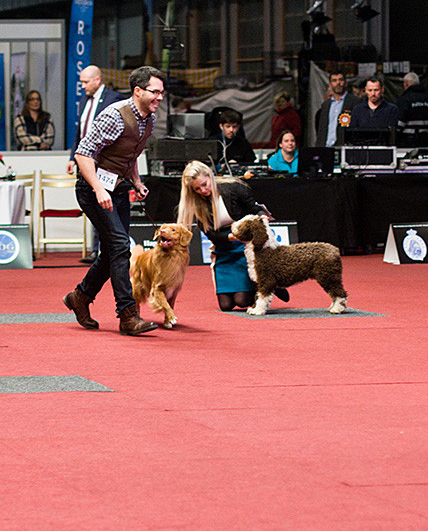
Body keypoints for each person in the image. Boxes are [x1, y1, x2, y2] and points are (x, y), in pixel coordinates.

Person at [62, 66, 165, 337]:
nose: (160, 97)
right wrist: (98, 188)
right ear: (138, 91)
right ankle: (128, 315)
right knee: (120, 245)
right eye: (155, 92)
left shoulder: (148, 118)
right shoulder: (114, 115)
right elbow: (83, 154)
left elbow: (128, 156)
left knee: (112, 252)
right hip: (92, 189)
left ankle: (80, 297)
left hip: (118, 189)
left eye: (162, 92)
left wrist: (138, 182)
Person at [177, 160, 271, 311]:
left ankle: (262, 287)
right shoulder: (196, 204)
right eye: (197, 189)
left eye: (204, 184)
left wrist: (262, 216)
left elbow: (253, 208)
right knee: (226, 306)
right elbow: (210, 234)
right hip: (223, 248)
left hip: (245, 245)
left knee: (241, 301)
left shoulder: (234, 188)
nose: (203, 190)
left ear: (210, 176)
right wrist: (229, 238)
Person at [68, 65, 124, 264]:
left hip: (103, 163)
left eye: (86, 82)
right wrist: (72, 157)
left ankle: (103, 249)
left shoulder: (114, 99)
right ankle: (95, 250)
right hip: (84, 160)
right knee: (91, 204)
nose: (82, 86)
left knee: (103, 203)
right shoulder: (83, 100)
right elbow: (81, 132)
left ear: (98, 79)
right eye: (81, 82)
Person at [315, 71, 362, 147]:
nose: (338, 83)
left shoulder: (355, 102)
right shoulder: (325, 105)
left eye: (341, 80)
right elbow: (321, 130)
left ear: (345, 83)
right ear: (330, 85)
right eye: (334, 80)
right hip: (326, 147)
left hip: (345, 148)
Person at [396, 72, 428, 147]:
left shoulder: (404, 100)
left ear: (406, 83)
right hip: (427, 142)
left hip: (408, 142)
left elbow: (399, 123)